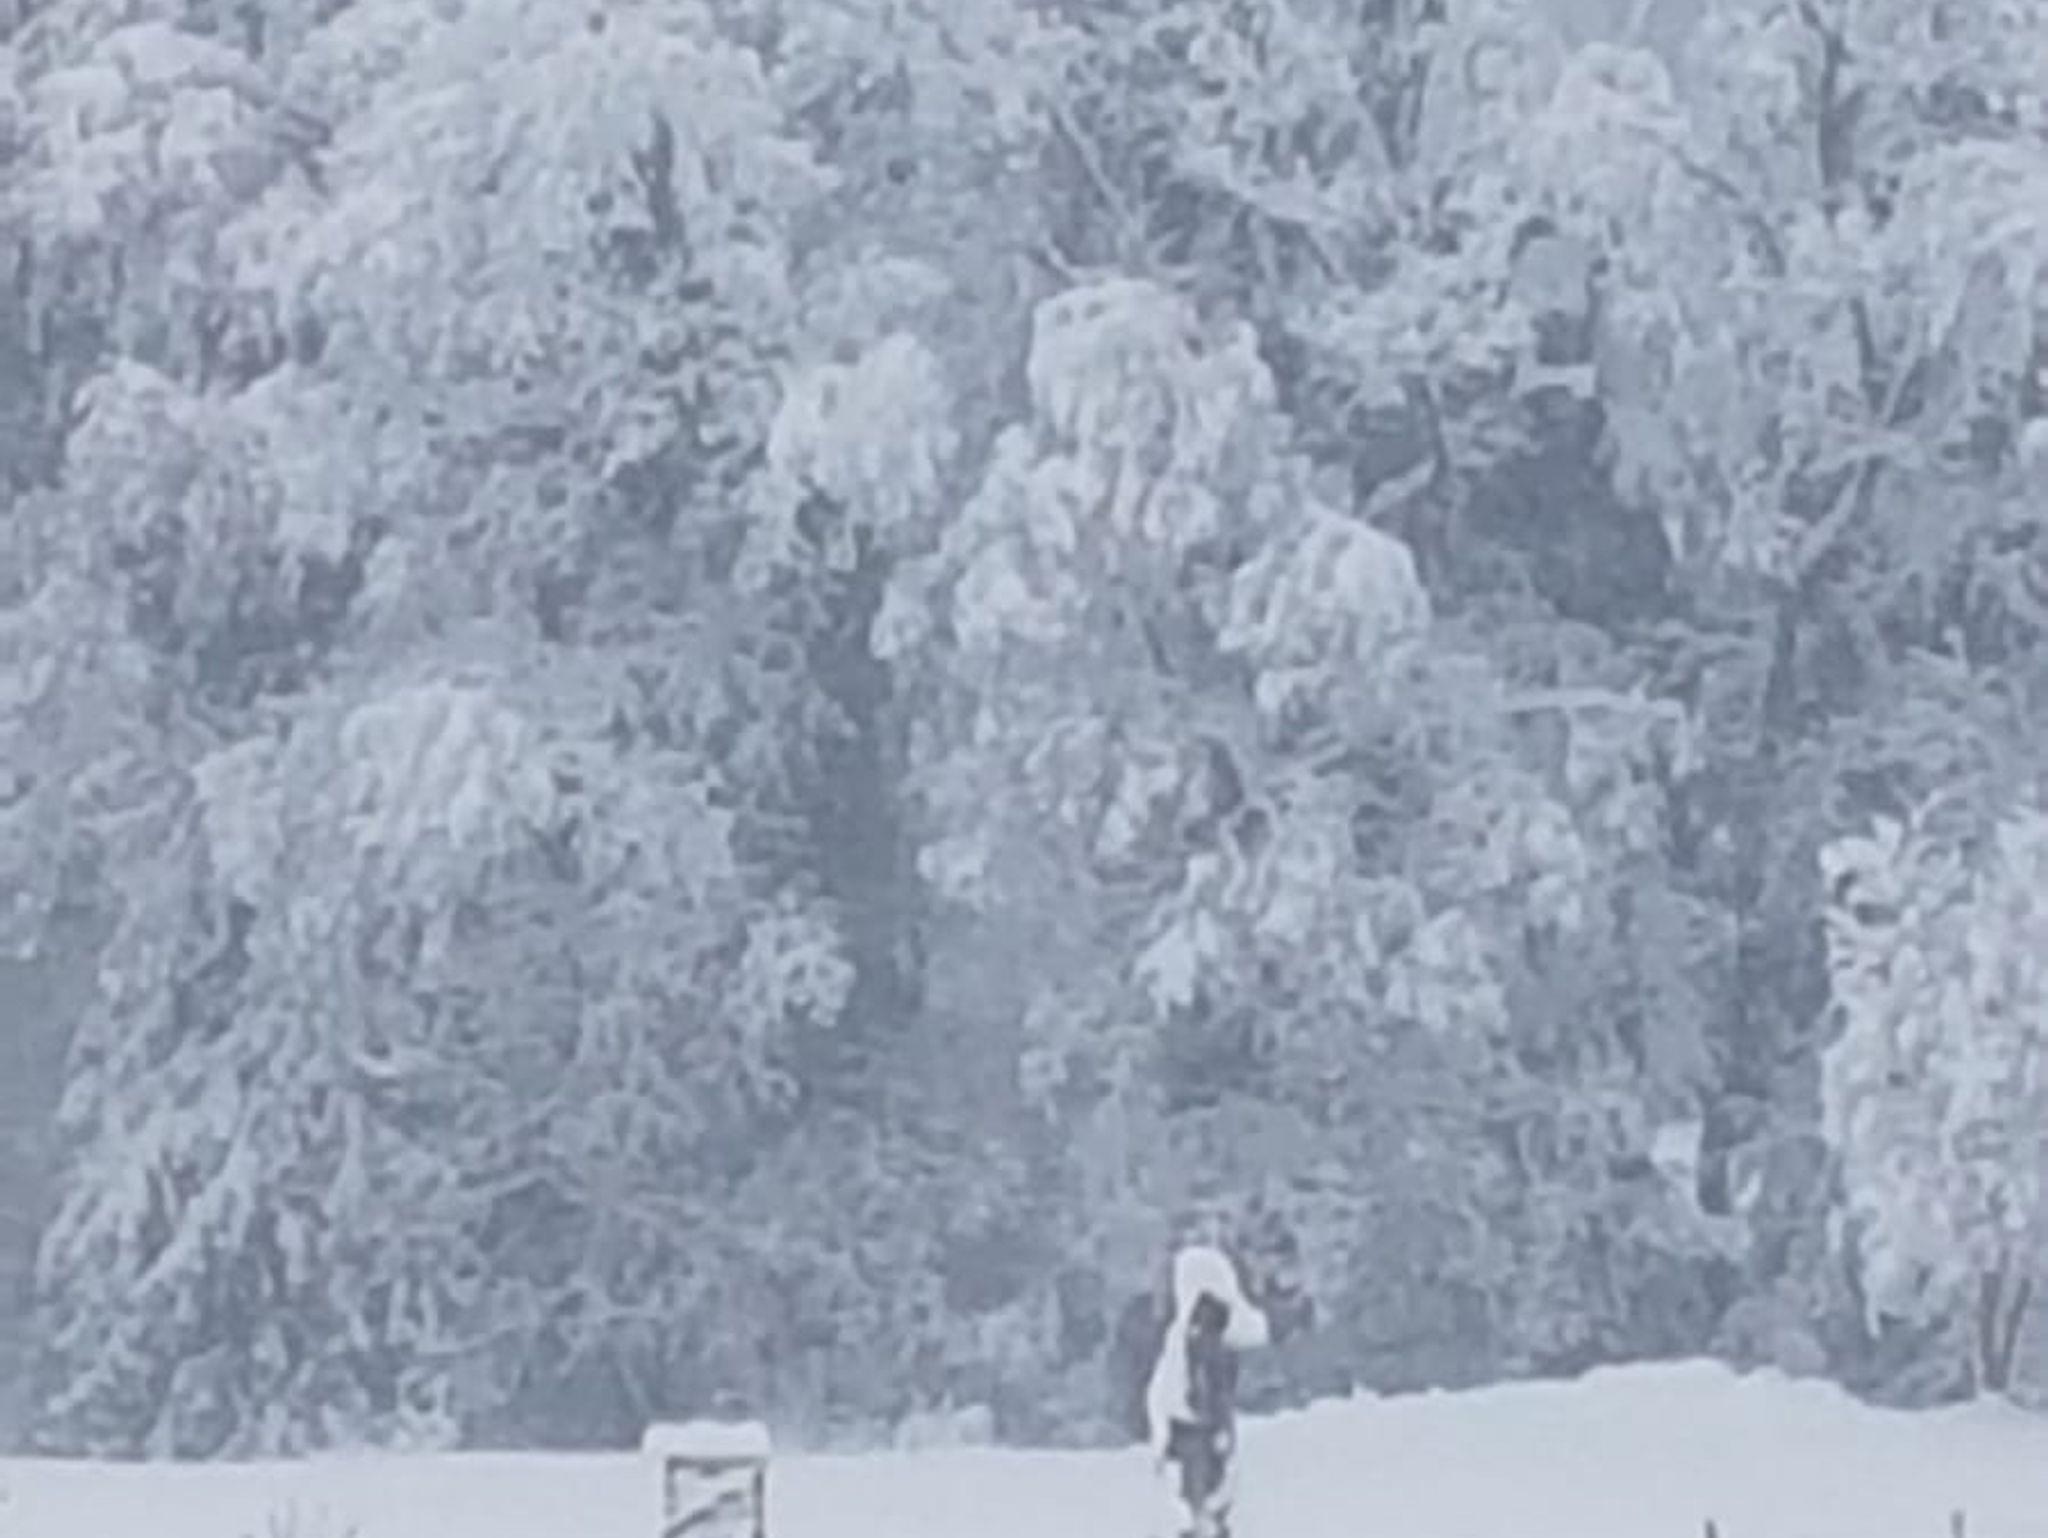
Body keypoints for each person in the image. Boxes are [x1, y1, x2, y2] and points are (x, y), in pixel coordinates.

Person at [1143, 1243, 1270, 1538]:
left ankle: (1202, 1522)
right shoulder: (1199, 1338)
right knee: (1204, 1494)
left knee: (1201, 1494)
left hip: (1194, 1426)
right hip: (1198, 1427)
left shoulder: (1191, 1336)